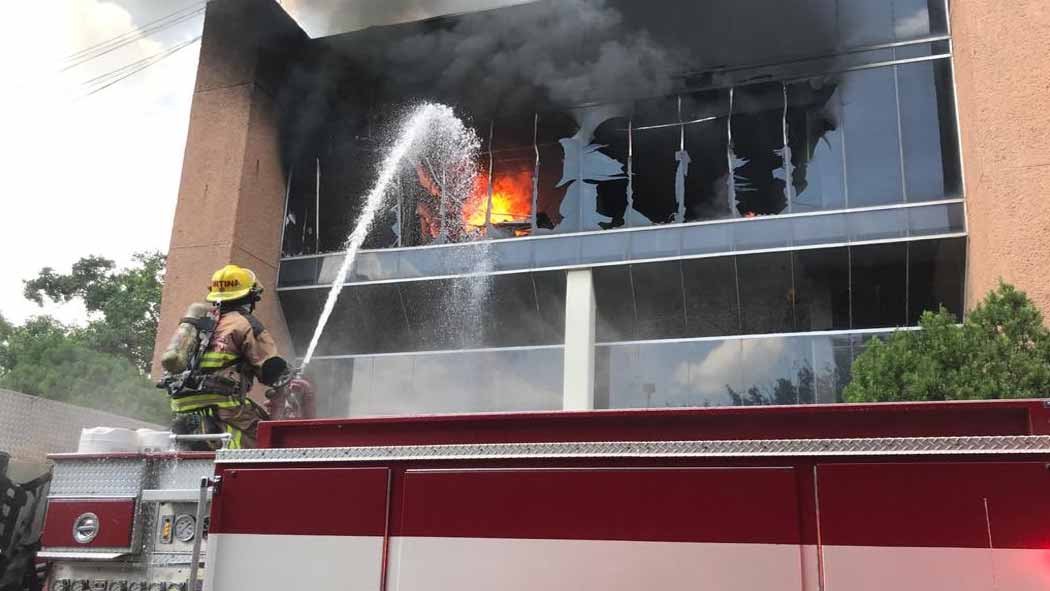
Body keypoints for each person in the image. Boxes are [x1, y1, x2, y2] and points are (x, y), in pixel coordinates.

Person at [167, 264, 295, 449]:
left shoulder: (198, 322)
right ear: (249, 297)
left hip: (182, 405)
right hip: (223, 404)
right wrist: (290, 373)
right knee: (270, 440)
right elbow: (271, 371)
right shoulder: (245, 324)